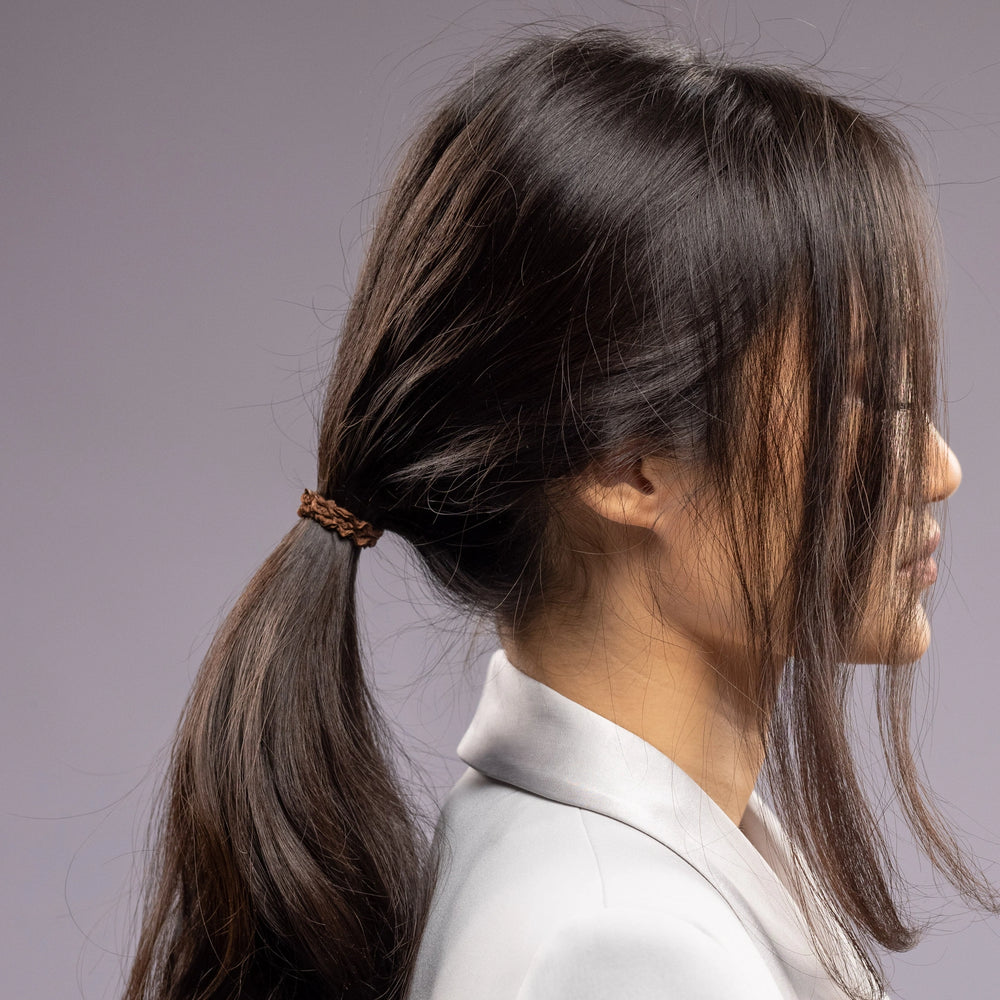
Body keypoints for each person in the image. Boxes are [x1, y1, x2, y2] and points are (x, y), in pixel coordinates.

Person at [123, 23, 999, 1000]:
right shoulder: (621, 950)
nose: (938, 467)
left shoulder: (612, 870)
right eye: (865, 393)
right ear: (626, 468)